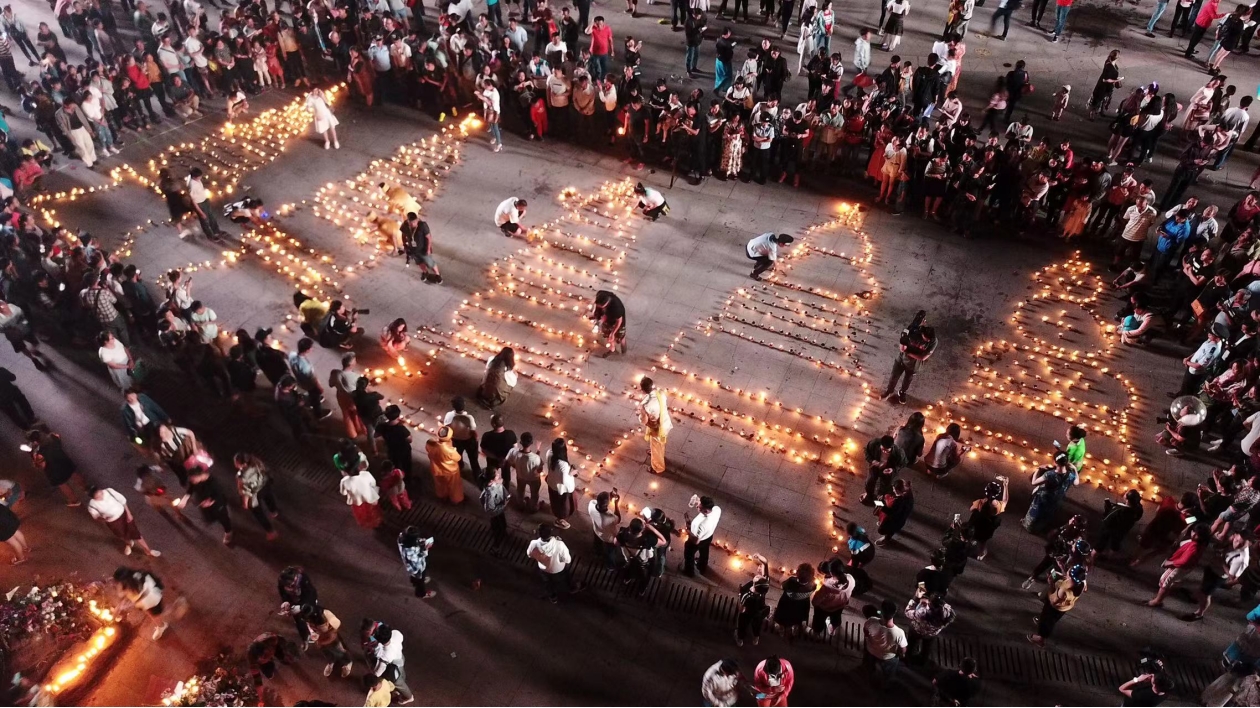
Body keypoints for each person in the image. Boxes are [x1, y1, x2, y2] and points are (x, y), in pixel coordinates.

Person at [87, 486, 160, 557]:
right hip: (113, 523)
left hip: (124, 515)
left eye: (100, 493)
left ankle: (148, 550)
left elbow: (122, 500)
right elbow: (96, 517)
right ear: (93, 498)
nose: (100, 496)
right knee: (122, 535)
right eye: (97, 497)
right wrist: (105, 519)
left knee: (135, 533)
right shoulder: (92, 505)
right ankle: (129, 543)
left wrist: (128, 513)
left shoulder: (109, 491)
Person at [882, 312, 937, 404]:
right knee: (894, 376)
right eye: (926, 339)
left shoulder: (933, 340)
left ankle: (902, 392)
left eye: (929, 340)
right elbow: (902, 349)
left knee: (907, 380)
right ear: (922, 333)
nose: (928, 341)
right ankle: (889, 391)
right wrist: (904, 345)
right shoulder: (910, 333)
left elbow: (923, 357)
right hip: (901, 359)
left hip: (915, 364)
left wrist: (908, 353)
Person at [1028, 563, 1087, 647]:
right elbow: (1066, 578)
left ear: (1071, 577)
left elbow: (1053, 601)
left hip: (1054, 608)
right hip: (1064, 608)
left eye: (1069, 571)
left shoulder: (1064, 591)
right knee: (1048, 620)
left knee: (1048, 621)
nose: (1068, 571)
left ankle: (1040, 638)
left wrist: (1051, 583)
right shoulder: (1081, 582)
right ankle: (1041, 623)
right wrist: (1060, 571)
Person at [527, 523, 585, 602]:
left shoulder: (533, 544)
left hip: (543, 569)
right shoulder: (559, 544)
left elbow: (529, 555)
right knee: (565, 579)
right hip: (558, 569)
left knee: (547, 583)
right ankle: (572, 588)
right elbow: (568, 560)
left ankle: (552, 597)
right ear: (550, 533)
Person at [295, 603, 353, 678]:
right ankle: (331, 661)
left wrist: (321, 641)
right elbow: (309, 626)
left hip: (331, 639)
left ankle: (348, 663)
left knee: (339, 651)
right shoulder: (308, 617)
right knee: (326, 652)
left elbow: (334, 631)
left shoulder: (325, 615)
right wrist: (312, 634)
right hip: (320, 639)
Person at [113, 566, 170, 640]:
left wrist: (119, 608)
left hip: (151, 601)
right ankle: (163, 617)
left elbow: (124, 596)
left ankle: (161, 626)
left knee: (154, 615)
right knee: (154, 611)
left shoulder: (130, 589)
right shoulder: (138, 574)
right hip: (155, 593)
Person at [863, 599, 908, 688]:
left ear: (881, 612)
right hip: (888, 657)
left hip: (871, 651)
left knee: (869, 667)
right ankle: (885, 684)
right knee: (888, 673)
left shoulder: (871, 621)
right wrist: (902, 654)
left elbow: (866, 632)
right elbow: (903, 649)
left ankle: (869, 679)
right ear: (894, 613)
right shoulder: (899, 633)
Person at [234, 452, 279, 540]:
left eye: (236, 462)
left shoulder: (241, 476)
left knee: (258, 513)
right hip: (264, 486)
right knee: (269, 498)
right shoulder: (256, 463)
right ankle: (274, 512)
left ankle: (271, 531)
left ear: (240, 464)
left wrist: (245, 503)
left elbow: (245, 491)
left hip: (254, 495)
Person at [904, 591, 955, 665]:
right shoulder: (947, 611)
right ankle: (923, 661)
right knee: (927, 647)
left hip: (917, 630)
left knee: (912, 644)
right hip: (932, 633)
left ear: (930, 604)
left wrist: (916, 598)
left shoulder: (922, 613)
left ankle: (909, 659)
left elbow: (907, 612)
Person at [337, 446, 382, 530]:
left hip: (356, 501)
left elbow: (343, 492)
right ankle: (376, 522)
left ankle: (365, 523)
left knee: (361, 513)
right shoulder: (366, 474)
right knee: (373, 511)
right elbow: (373, 484)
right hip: (370, 498)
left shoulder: (344, 481)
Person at [636, 377, 672, 474]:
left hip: (657, 428)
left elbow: (644, 421)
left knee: (656, 446)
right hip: (665, 422)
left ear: (643, 390)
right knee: (660, 443)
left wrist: (641, 414)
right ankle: (657, 453)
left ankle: (658, 467)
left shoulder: (645, 405)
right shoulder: (660, 393)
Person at [371, 624, 414, 704]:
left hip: (394, 666)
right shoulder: (396, 633)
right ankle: (402, 678)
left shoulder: (386, 655)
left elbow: (379, 671)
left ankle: (409, 697)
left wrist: (374, 674)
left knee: (399, 683)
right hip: (400, 657)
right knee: (402, 673)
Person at [682, 495, 722, 576]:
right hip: (708, 536)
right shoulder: (717, 509)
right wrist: (698, 500)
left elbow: (696, 541)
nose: (697, 506)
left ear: (706, 511)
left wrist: (688, 530)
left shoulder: (703, 524)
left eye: (699, 507)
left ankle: (689, 572)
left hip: (698, 540)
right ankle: (702, 565)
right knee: (704, 551)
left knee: (689, 554)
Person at [736, 556, 771, 646]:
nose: (758, 574)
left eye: (757, 577)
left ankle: (740, 639)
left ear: (755, 584)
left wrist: (739, 594)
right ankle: (756, 637)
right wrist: (760, 557)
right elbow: (765, 564)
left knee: (742, 625)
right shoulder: (764, 587)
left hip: (747, 613)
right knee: (757, 625)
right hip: (758, 612)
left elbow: (741, 608)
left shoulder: (747, 595)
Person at [425, 426, 465, 504]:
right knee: (454, 486)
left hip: (436, 469)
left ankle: (442, 496)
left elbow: (427, 449)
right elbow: (458, 458)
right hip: (450, 471)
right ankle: (456, 499)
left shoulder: (431, 444)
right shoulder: (449, 450)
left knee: (440, 484)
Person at [773, 564, 814, 639]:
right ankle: (794, 627)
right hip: (802, 604)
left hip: (787, 601)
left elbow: (782, 586)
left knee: (783, 615)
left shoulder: (791, 581)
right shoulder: (812, 585)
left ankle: (781, 627)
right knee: (797, 617)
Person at [543, 437, 576, 529]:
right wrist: (572, 473)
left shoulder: (549, 453)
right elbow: (565, 481)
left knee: (555, 502)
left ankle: (559, 517)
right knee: (562, 507)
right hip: (560, 489)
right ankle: (559, 520)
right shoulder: (563, 465)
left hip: (552, 483)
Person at [187, 167, 228, 241]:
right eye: (199, 176)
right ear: (195, 177)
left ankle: (216, 231)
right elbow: (193, 201)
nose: (201, 177)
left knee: (211, 217)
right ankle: (210, 236)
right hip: (199, 204)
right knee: (204, 220)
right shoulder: (192, 186)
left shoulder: (197, 180)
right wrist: (200, 212)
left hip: (205, 201)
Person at [397, 525, 437, 599]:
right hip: (417, 569)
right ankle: (421, 593)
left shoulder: (401, 537)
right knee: (420, 582)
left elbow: (412, 541)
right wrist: (425, 549)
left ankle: (415, 582)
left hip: (410, 567)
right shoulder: (411, 553)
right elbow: (418, 560)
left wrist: (420, 541)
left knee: (414, 578)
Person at [588, 489, 622, 568]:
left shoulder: (591, 504)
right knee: (610, 552)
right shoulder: (608, 517)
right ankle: (610, 566)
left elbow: (601, 501)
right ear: (607, 505)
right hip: (608, 538)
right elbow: (618, 519)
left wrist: (609, 495)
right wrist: (616, 504)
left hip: (596, 530)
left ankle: (597, 552)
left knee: (597, 543)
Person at [589, 290, 627, 356]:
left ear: (606, 304)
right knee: (609, 336)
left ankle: (623, 344)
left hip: (617, 322)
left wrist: (613, 333)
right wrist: (597, 315)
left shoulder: (617, 308)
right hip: (607, 319)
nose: (599, 307)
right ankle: (612, 349)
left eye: (601, 306)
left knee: (620, 335)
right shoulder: (601, 294)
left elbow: (619, 321)